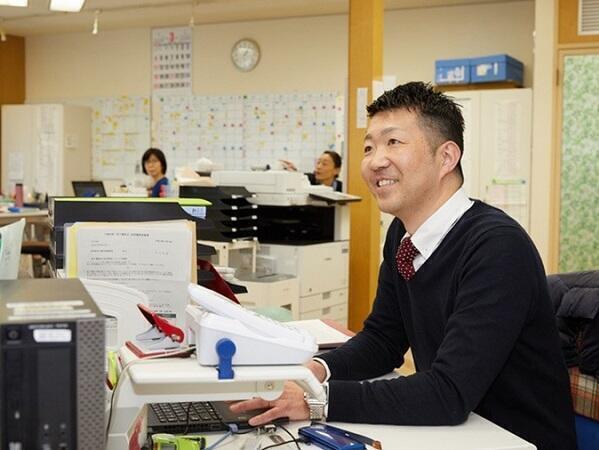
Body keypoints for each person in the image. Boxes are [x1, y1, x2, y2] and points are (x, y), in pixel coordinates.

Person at [231, 82, 577, 449]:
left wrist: (316, 400)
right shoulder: (403, 235)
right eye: (369, 147)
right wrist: (316, 371)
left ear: (446, 157)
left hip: (514, 439)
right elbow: (383, 340)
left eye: (393, 142)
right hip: (454, 433)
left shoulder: (496, 246)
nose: (375, 160)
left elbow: (449, 392)